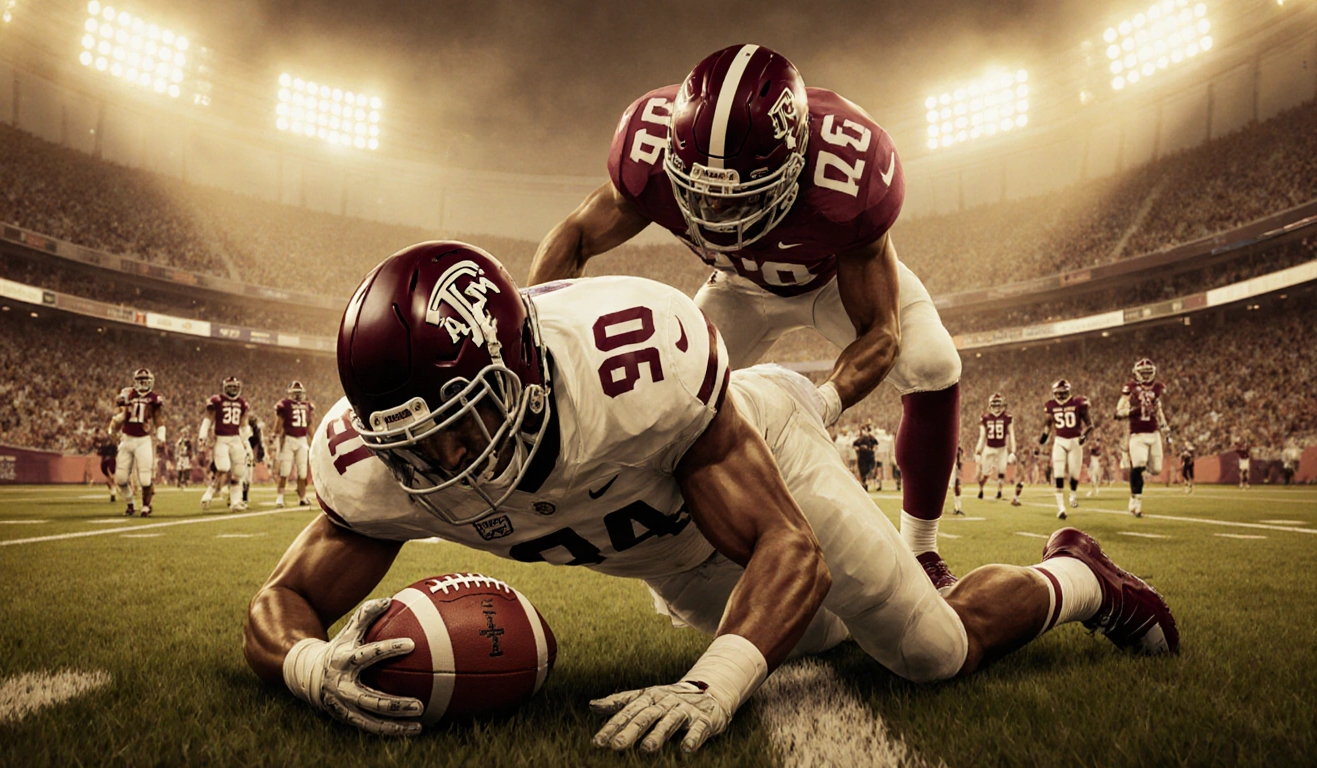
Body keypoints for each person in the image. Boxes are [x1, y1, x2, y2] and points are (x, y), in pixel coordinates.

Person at [242, 242, 1178, 750]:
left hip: (763, 462)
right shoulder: (374, 464)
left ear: (523, 373)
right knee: (821, 643)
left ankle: (1080, 577)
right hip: (667, 555)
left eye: (465, 421)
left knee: (931, 652)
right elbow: (281, 603)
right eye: (411, 442)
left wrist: (715, 682)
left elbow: (788, 549)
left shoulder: (630, 366)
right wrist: (308, 666)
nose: (444, 460)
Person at [526, 44, 964, 590]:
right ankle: (689, 558)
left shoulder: (849, 171)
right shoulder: (648, 145)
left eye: (738, 197)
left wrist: (822, 402)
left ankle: (921, 550)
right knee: (671, 402)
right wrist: (534, 334)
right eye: (699, 193)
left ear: (796, 163)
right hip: (735, 286)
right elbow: (577, 235)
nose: (715, 211)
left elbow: (881, 331)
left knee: (933, 365)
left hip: (831, 278)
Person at [1115, 359, 1171, 518]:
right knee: (1139, 464)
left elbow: (1158, 409)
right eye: (1143, 373)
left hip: (1154, 433)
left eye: (1148, 372)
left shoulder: (1157, 388)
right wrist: (1133, 411)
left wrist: (1164, 426)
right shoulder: (1131, 388)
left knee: (1156, 469)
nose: (1146, 376)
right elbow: (1118, 411)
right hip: (1137, 434)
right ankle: (1136, 500)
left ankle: (1136, 476)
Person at [113, 368, 165, 517]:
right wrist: (119, 415)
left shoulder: (154, 398)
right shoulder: (128, 393)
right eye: (140, 381)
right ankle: (130, 503)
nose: (142, 384)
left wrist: (161, 433)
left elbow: (158, 417)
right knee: (121, 478)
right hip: (127, 438)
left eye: (145, 381)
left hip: (143, 440)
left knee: (145, 478)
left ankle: (146, 505)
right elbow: (120, 407)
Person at [1040, 379, 1093, 520]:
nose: (1060, 396)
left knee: (1074, 475)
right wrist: (1043, 438)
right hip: (1060, 441)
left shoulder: (1078, 403)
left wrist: (1084, 436)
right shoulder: (1051, 405)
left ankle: (1073, 495)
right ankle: (1061, 508)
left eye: (1062, 393)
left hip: (1075, 441)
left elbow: (1089, 425)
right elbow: (1048, 424)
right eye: (1058, 393)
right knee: (1058, 473)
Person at [200, 376, 250, 512]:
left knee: (238, 472)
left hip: (236, 438)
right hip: (221, 438)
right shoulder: (217, 400)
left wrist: (247, 442)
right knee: (223, 467)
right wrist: (203, 435)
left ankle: (235, 501)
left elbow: (243, 423)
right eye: (230, 387)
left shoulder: (242, 402)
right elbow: (208, 419)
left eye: (235, 387)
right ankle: (209, 492)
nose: (233, 390)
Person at [272, 381, 316, 508]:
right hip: (289, 439)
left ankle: (302, 497)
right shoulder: (285, 404)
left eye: (299, 393)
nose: (297, 395)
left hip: (302, 440)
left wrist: (313, 439)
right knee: (285, 470)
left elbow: (310, 424)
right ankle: (280, 497)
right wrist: (275, 434)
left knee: (302, 472)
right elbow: (279, 422)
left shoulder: (307, 405)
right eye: (295, 393)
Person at [975, 393, 1015, 501]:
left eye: (998, 404)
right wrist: (978, 451)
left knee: (1002, 470)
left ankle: (999, 491)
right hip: (989, 448)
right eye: (995, 404)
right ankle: (981, 488)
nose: (997, 407)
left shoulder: (1007, 417)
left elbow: (1012, 435)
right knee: (985, 473)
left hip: (1002, 448)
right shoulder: (985, 417)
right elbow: (982, 436)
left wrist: (1013, 451)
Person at [91, 427, 120, 502]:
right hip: (104, 462)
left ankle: (115, 490)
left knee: (110, 477)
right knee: (109, 481)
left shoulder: (111, 443)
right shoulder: (101, 443)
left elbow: (115, 451)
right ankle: (114, 491)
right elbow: (98, 450)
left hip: (110, 461)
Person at [852, 424, 878, 491]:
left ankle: (866, 481)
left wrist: (872, 450)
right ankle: (864, 483)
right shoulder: (860, 439)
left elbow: (875, 445)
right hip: (862, 456)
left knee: (869, 470)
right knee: (862, 471)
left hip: (869, 456)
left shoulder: (872, 438)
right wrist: (858, 449)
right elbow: (855, 445)